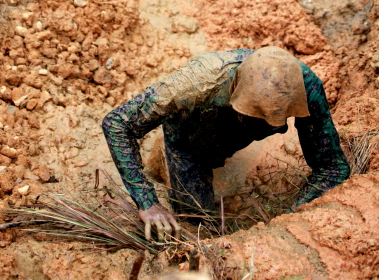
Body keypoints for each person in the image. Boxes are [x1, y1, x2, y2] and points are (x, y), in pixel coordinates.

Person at [102, 46, 350, 242]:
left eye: (275, 119)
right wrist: (146, 201)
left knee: (225, 152)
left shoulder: (306, 88)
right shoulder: (195, 82)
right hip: (188, 136)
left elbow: (332, 168)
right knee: (198, 223)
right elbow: (117, 123)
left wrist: (288, 222)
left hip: (233, 135)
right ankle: (164, 158)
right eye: (254, 115)